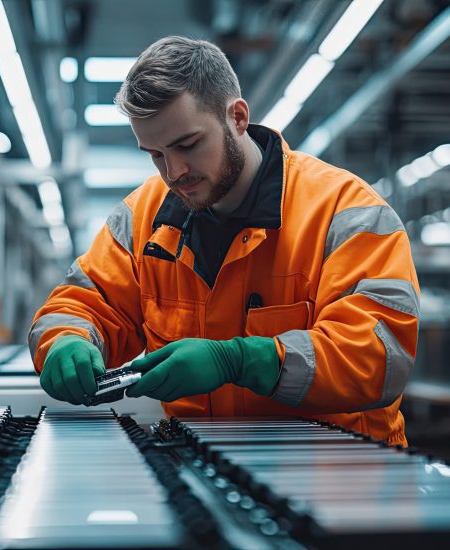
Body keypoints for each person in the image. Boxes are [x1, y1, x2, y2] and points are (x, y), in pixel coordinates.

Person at [29, 36, 419, 446]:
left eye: (188, 145)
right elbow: (82, 304)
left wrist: (243, 360)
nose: (174, 172)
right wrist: (66, 340)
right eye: (156, 154)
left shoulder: (345, 211)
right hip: (208, 468)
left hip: (342, 477)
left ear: (236, 117)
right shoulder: (142, 218)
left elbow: (380, 356)